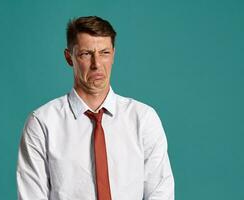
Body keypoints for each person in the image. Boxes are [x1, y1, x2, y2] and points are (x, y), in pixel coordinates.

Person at [16, 16, 174, 200]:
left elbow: (160, 193)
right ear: (69, 57)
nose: (97, 64)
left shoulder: (144, 119)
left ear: (114, 54)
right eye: (86, 54)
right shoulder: (42, 123)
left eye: (104, 52)